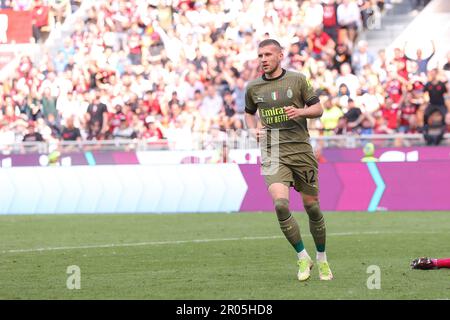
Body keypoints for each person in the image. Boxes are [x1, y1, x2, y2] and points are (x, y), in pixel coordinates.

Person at [244, 39, 332, 282]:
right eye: (260, 55)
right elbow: (249, 113)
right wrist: (253, 129)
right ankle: (303, 256)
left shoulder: (297, 80)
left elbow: (319, 109)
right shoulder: (253, 87)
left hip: (301, 151)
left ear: (280, 56)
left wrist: (301, 112)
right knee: (281, 205)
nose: (263, 59)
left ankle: (322, 259)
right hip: (272, 151)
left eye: (268, 54)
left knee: (312, 207)